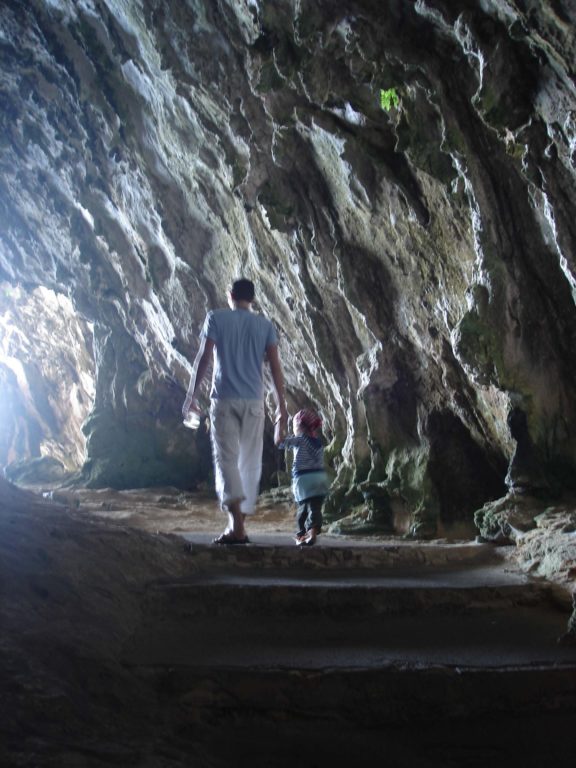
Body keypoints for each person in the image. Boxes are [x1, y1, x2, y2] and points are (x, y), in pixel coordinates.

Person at [182, 278, 288, 544]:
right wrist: (282, 410)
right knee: (249, 462)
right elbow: (275, 369)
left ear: (229, 295)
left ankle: (236, 525)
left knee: (226, 460)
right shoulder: (265, 325)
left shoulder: (216, 318)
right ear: (252, 299)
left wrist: (191, 396)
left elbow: (204, 358)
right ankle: (239, 524)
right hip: (254, 402)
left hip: (225, 399)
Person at [279, 408, 329, 546]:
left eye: (294, 426)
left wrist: (280, 423)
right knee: (315, 508)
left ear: (299, 426)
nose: (293, 429)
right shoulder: (318, 442)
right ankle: (310, 533)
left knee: (303, 509)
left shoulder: (300, 440)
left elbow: (280, 442)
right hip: (320, 478)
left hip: (304, 479)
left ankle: (304, 534)